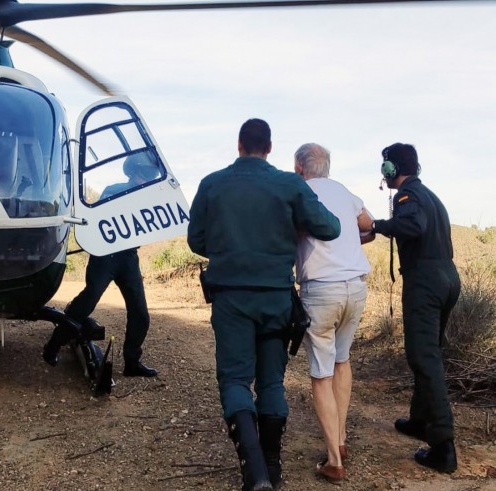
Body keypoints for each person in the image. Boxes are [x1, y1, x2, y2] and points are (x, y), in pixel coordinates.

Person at [187, 119, 340, 491]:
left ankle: (254, 475)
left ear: (239, 145)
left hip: (230, 298)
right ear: (269, 148)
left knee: (236, 378)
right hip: (276, 299)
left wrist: (229, 248)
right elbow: (331, 227)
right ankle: (272, 468)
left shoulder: (211, 184)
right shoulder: (289, 184)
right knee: (272, 382)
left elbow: (196, 240)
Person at [367, 142, 461, 474]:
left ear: (391, 169)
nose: (383, 173)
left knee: (424, 358)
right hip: (447, 278)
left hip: (425, 282)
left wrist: (376, 225)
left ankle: (443, 446)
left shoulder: (407, 197)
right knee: (428, 352)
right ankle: (420, 420)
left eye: (385, 166)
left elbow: (413, 226)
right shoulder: (430, 195)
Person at [293, 143, 374, 483]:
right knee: (343, 360)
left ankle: (333, 461)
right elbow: (368, 224)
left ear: (300, 167)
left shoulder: (299, 192)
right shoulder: (343, 191)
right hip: (355, 285)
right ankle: (340, 439)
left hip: (321, 289)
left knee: (321, 374)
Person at [44, 152, 161, 377]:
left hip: (128, 257)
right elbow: (98, 217)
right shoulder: (114, 190)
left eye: (150, 175)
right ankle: (54, 345)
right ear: (135, 172)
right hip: (105, 255)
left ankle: (132, 363)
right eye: (145, 174)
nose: (147, 179)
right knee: (88, 300)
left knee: (140, 313)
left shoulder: (148, 196)